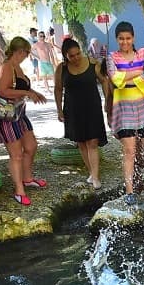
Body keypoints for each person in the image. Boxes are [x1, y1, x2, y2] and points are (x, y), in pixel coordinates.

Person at [108, 21, 144, 205]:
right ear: (117, 39)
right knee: (129, 150)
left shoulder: (143, 53)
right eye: (121, 39)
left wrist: (126, 75)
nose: (125, 42)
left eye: (128, 38)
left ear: (133, 38)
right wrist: (136, 72)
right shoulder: (111, 57)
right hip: (123, 109)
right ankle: (130, 191)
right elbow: (115, 80)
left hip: (143, 107)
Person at [0, 37, 47, 206]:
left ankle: (27, 178)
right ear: (20, 51)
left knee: (31, 146)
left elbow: (22, 87)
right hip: (7, 115)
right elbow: (3, 90)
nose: (27, 56)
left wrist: (34, 92)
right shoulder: (6, 66)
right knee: (16, 155)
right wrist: (28, 93)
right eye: (27, 52)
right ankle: (19, 190)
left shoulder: (17, 67)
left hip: (20, 113)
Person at [54, 38, 108, 190]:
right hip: (72, 109)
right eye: (72, 56)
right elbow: (58, 89)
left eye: (78, 54)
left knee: (92, 142)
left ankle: (96, 177)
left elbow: (104, 81)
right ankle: (91, 172)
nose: (76, 58)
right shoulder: (61, 68)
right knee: (81, 143)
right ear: (66, 56)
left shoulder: (92, 64)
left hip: (92, 107)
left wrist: (107, 100)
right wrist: (59, 109)